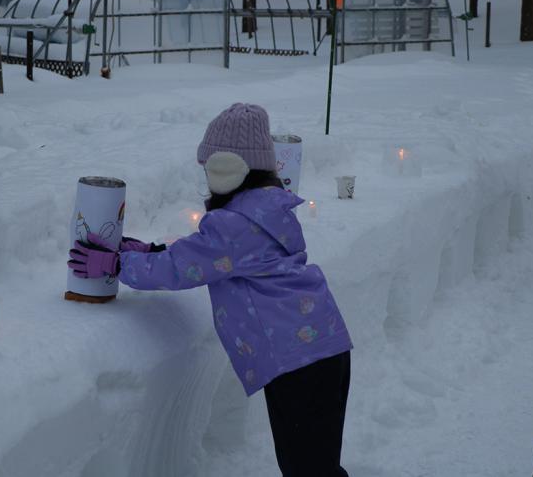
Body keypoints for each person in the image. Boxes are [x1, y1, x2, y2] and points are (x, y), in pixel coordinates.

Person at [69, 103, 353, 477]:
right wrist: (155, 251)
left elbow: (182, 267)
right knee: (317, 465)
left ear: (227, 170)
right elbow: (206, 254)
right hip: (323, 350)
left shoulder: (235, 224)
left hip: (296, 364)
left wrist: (117, 265)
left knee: (306, 468)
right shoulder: (265, 210)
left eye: (209, 169)